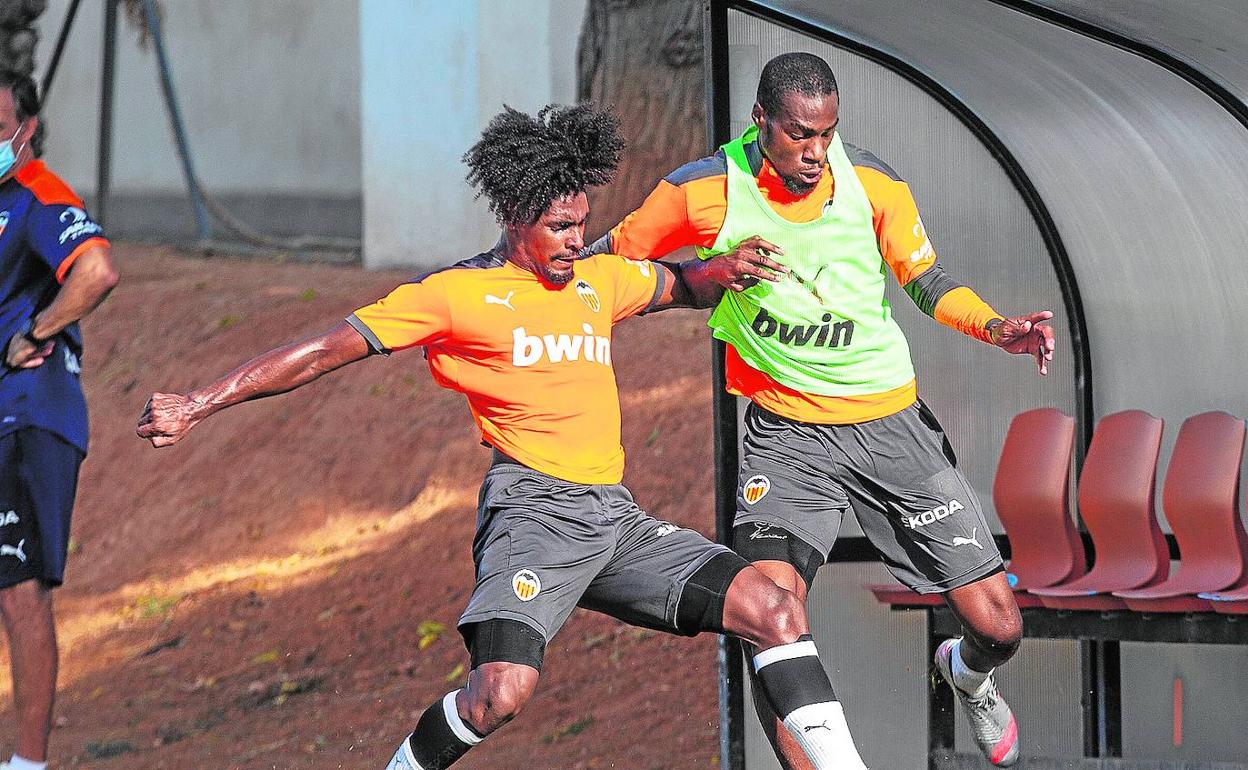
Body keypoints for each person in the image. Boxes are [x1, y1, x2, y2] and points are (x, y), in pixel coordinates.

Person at [137, 103, 872, 770]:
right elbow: (326, 349)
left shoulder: (598, 279)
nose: (576, 240)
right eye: (560, 227)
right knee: (500, 695)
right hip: (532, 514)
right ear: (516, 218)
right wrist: (202, 402)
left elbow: (681, 283)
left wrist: (728, 266)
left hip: (614, 520)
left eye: (582, 223)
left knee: (774, 610)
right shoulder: (456, 295)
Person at [591, 53, 1056, 768]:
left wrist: (997, 328)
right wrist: (692, 278)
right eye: (800, 135)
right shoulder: (702, 191)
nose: (815, 153)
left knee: (1000, 623)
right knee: (770, 620)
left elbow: (925, 280)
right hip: (785, 438)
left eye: (827, 135)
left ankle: (969, 673)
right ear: (761, 123)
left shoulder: (871, 181)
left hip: (890, 427)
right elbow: (613, 266)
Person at [0, 70, 120, 770]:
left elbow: (97, 269)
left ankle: (28, 764)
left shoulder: (39, 193)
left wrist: (38, 330)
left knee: (19, 589)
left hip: (27, 416)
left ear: (27, 129)